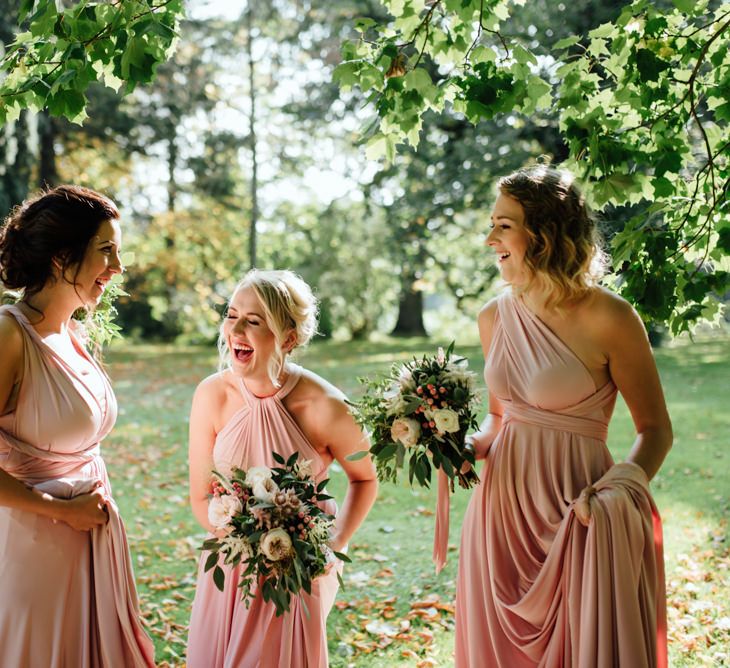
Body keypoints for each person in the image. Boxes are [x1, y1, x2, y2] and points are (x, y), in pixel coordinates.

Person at [455, 166, 670, 667]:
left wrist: (618, 490)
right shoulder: (493, 316)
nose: (490, 239)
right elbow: (498, 416)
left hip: (580, 510)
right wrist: (470, 445)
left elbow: (655, 429)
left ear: (545, 232)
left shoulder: (610, 316)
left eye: (503, 225)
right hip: (501, 514)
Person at [187, 269, 378, 668]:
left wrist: (332, 545)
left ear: (288, 339)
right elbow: (201, 495)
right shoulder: (212, 395)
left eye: (254, 321)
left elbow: (365, 478)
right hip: (231, 561)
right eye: (232, 313)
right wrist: (240, 538)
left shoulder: (324, 404)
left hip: (297, 570)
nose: (235, 328)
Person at [0, 185, 155, 665]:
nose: (118, 267)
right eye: (106, 250)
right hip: (34, 549)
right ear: (62, 256)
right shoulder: (9, 335)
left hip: (90, 545)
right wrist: (61, 510)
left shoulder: (74, 332)